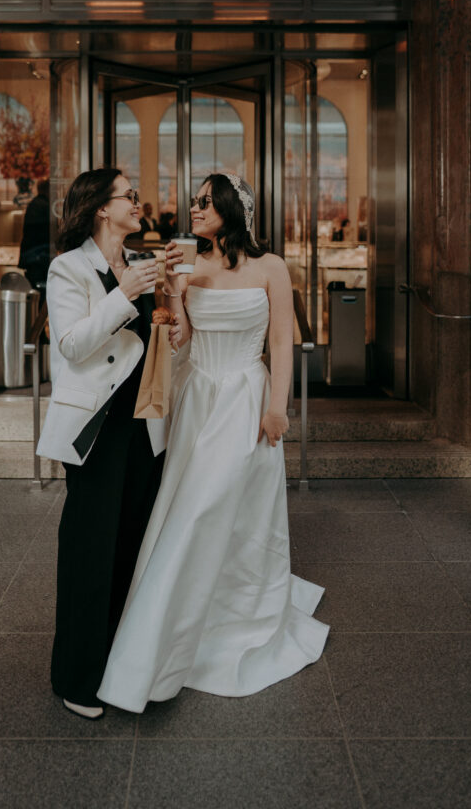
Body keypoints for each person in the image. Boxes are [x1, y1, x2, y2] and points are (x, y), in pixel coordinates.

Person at [97, 172, 329, 713]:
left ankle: (231, 614)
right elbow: (182, 337)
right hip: (199, 398)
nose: (194, 210)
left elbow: (280, 342)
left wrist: (278, 407)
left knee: (231, 509)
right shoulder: (191, 266)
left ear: (231, 208)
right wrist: (172, 296)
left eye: (204, 202)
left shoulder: (271, 267)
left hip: (245, 397)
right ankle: (174, 623)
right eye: (194, 202)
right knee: (193, 507)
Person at [36, 168, 182, 720]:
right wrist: (124, 294)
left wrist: (168, 321)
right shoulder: (68, 267)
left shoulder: (140, 263)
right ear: (101, 208)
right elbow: (72, 345)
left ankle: (120, 669)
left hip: (143, 425)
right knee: (89, 548)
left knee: (130, 545)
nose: (138, 203)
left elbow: (148, 346)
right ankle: (76, 676)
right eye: (129, 196)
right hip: (97, 428)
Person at [18, 179, 51, 292]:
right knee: (40, 291)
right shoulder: (44, 205)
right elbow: (45, 231)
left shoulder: (36, 203)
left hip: (31, 255)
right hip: (37, 255)